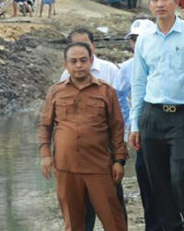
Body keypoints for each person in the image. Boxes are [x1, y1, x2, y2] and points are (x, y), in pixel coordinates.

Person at [128, 0, 184, 231]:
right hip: (152, 115)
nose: (160, 4)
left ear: (176, 1)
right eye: (155, 0)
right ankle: (172, 227)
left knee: (181, 177)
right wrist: (134, 125)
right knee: (157, 180)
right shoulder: (145, 40)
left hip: (183, 116)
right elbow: (138, 84)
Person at [39, 42, 129, 231]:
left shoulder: (106, 91)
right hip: (66, 167)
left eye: (83, 60)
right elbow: (45, 126)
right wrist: (46, 155)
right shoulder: (56, 91)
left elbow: (117, 127)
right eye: (73, 61)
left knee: (114, 221)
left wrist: (119, 160)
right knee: (73, 223)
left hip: (99, 166)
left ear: (91, 62)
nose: (78, 65)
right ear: (66, 65)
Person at [62, 28, 128, 231]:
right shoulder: (65, 76)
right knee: (81, 208)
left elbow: (122, 109)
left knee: (112, 203)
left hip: (104, 149)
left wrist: (119, 153)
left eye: (86, 47)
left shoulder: (110, 71)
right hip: (77, 153)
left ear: (93, 47)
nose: (81, 59)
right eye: (76, 48)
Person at [119, 18, 161, 231]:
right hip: (142, 131)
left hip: (166, 128)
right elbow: (120, 97)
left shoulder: (163, 59)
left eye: (141, 38)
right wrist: (129, 127)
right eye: (134, 39)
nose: (136, 44)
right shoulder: (127, 67)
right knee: (145, 176)